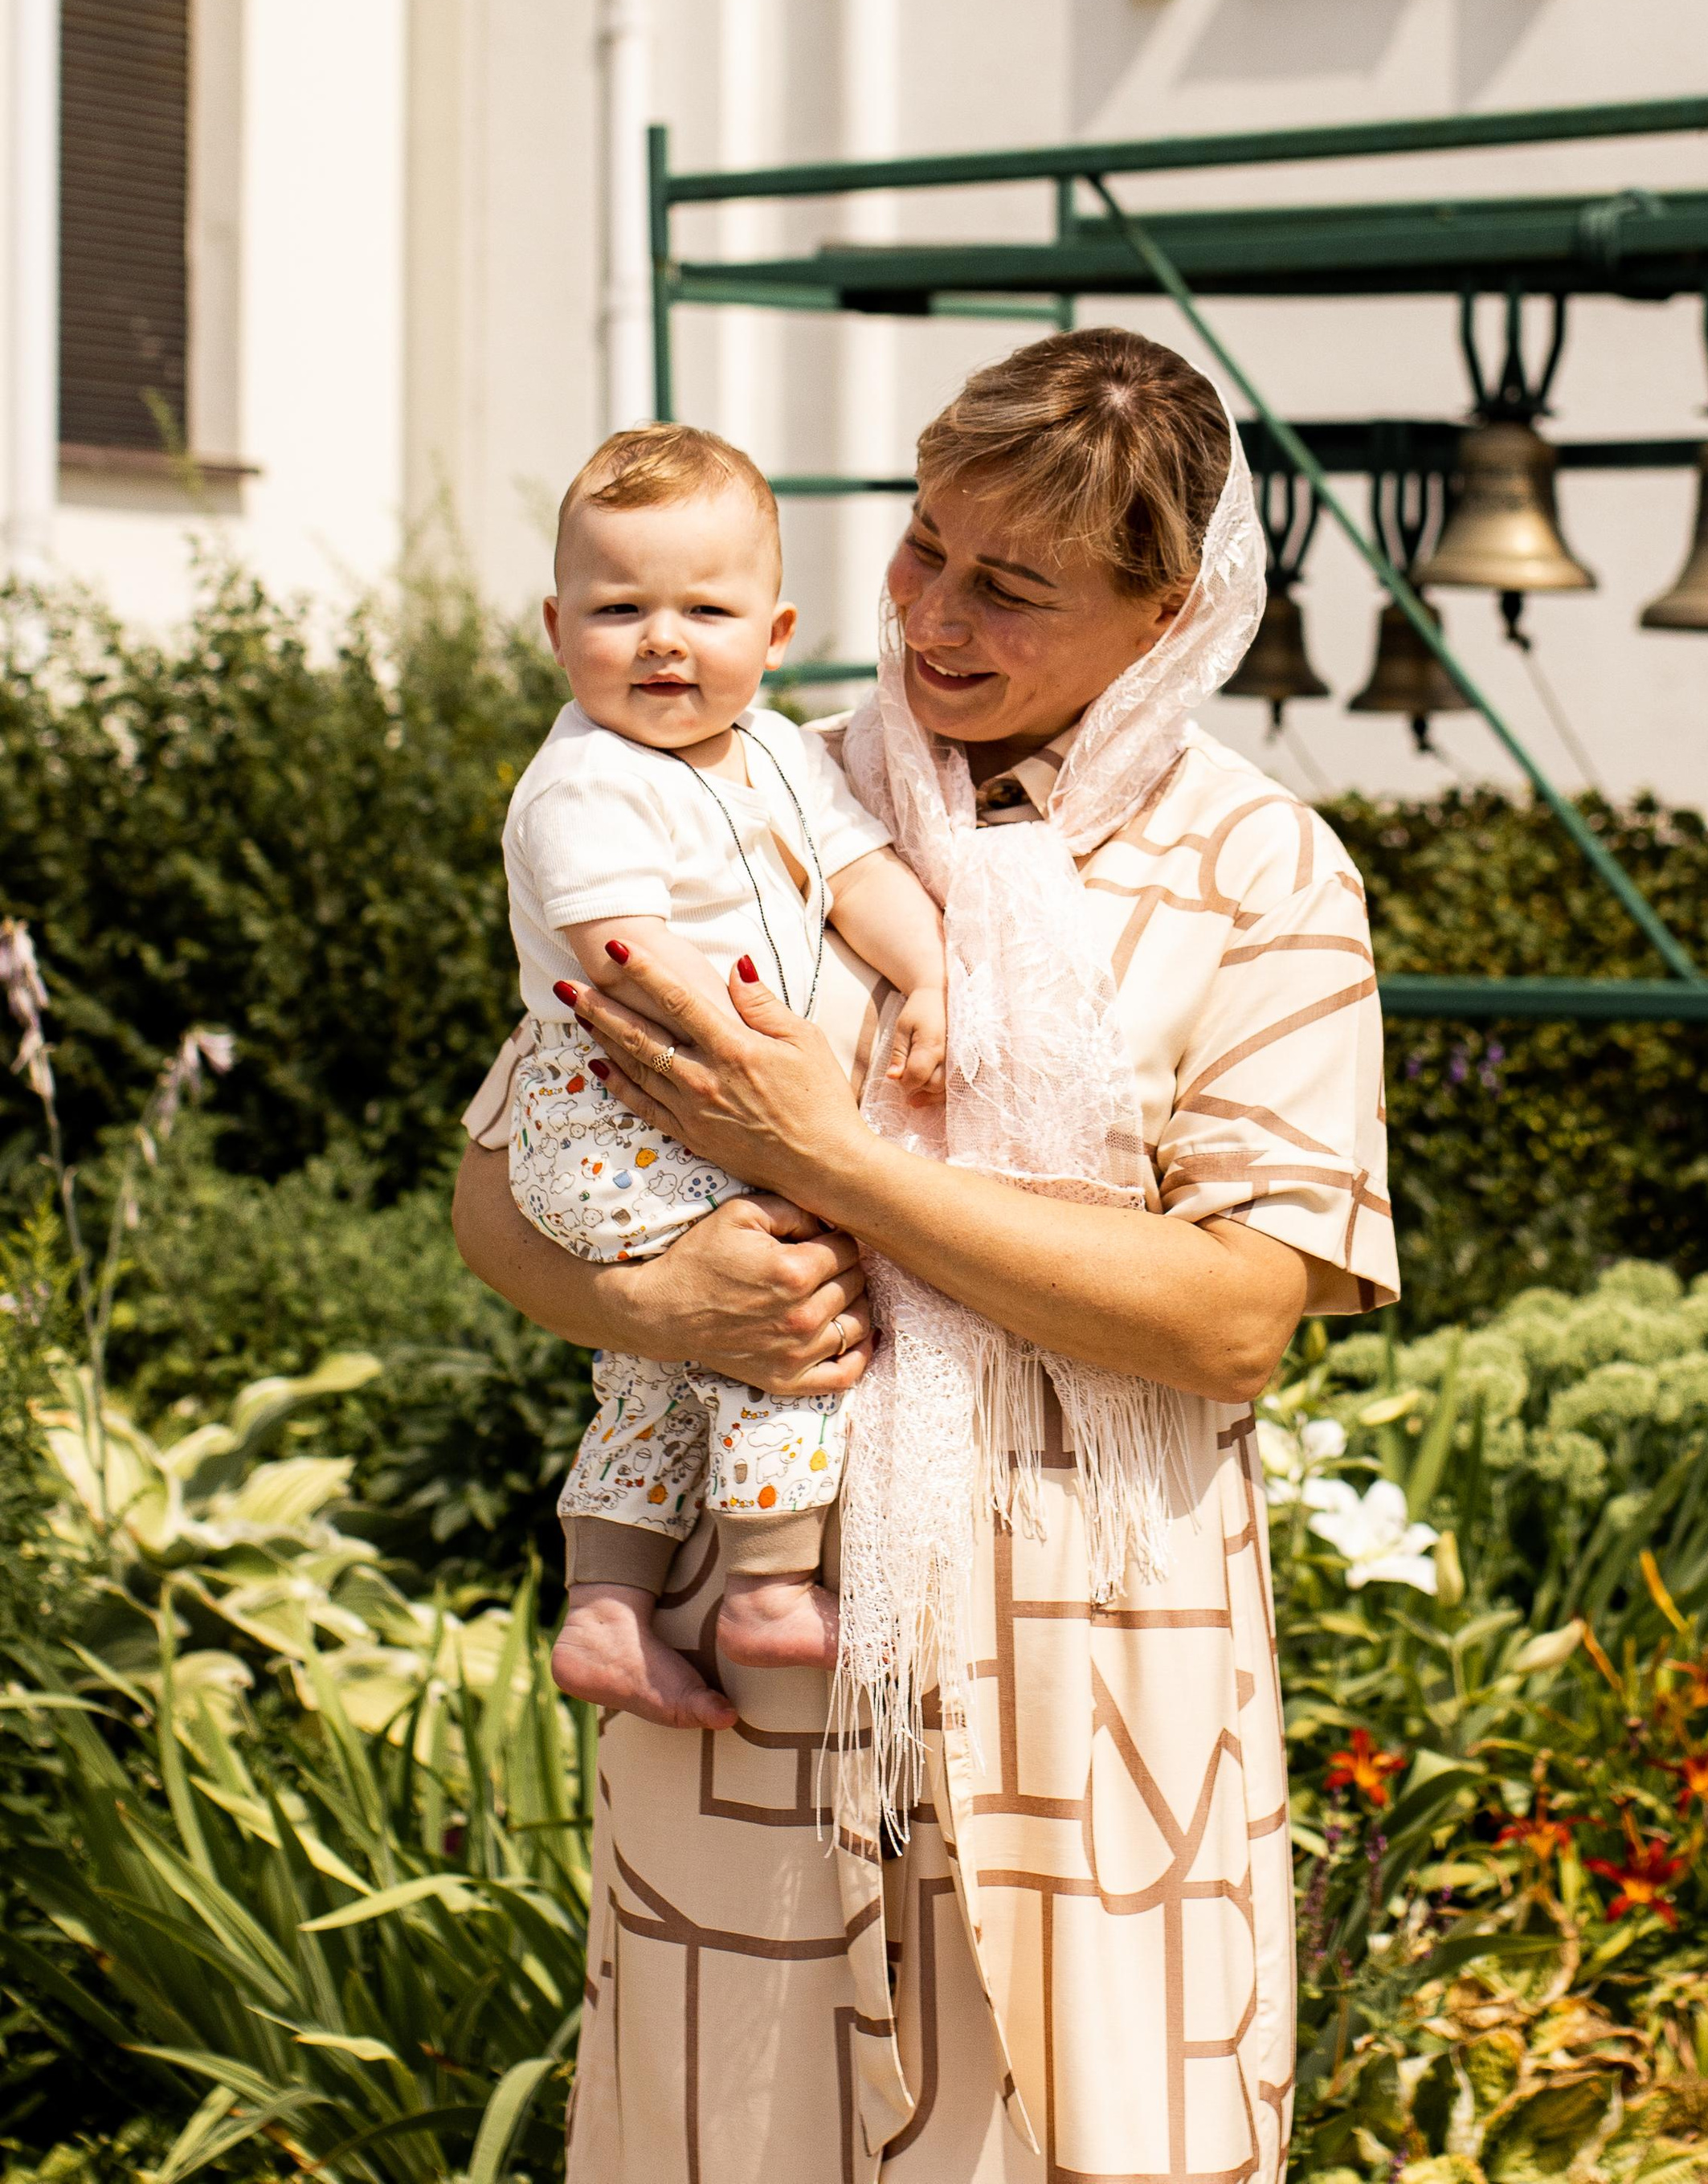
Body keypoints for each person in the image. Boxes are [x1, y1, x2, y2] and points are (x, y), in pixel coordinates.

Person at [452, 329, 1397, 2184]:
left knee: (1090, 2132)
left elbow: (1230, 1322)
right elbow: (499, 1181)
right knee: (735, 2129)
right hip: (764, 1647)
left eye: (1013, 586)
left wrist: (825, 1165)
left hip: (1096, 1665)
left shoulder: (1257, 875)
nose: (935, 617)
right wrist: (653, 1299)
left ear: (1162, 613)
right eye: (921, 548)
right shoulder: (736, 787)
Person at [496, 422, 946, 1726]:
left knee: (653, 1368)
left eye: (706, 607)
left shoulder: (785, 759)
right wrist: (778, 1095)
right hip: (627, 1106)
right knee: (777, 1301)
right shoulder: (585, 782)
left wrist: (928, 977)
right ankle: (763, 1585)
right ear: (556, 623)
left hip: (692, 1104)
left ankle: (605, 1608)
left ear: (778, 625)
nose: (662, 641)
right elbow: (629, 957)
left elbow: (861, 879)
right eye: (619, 607)